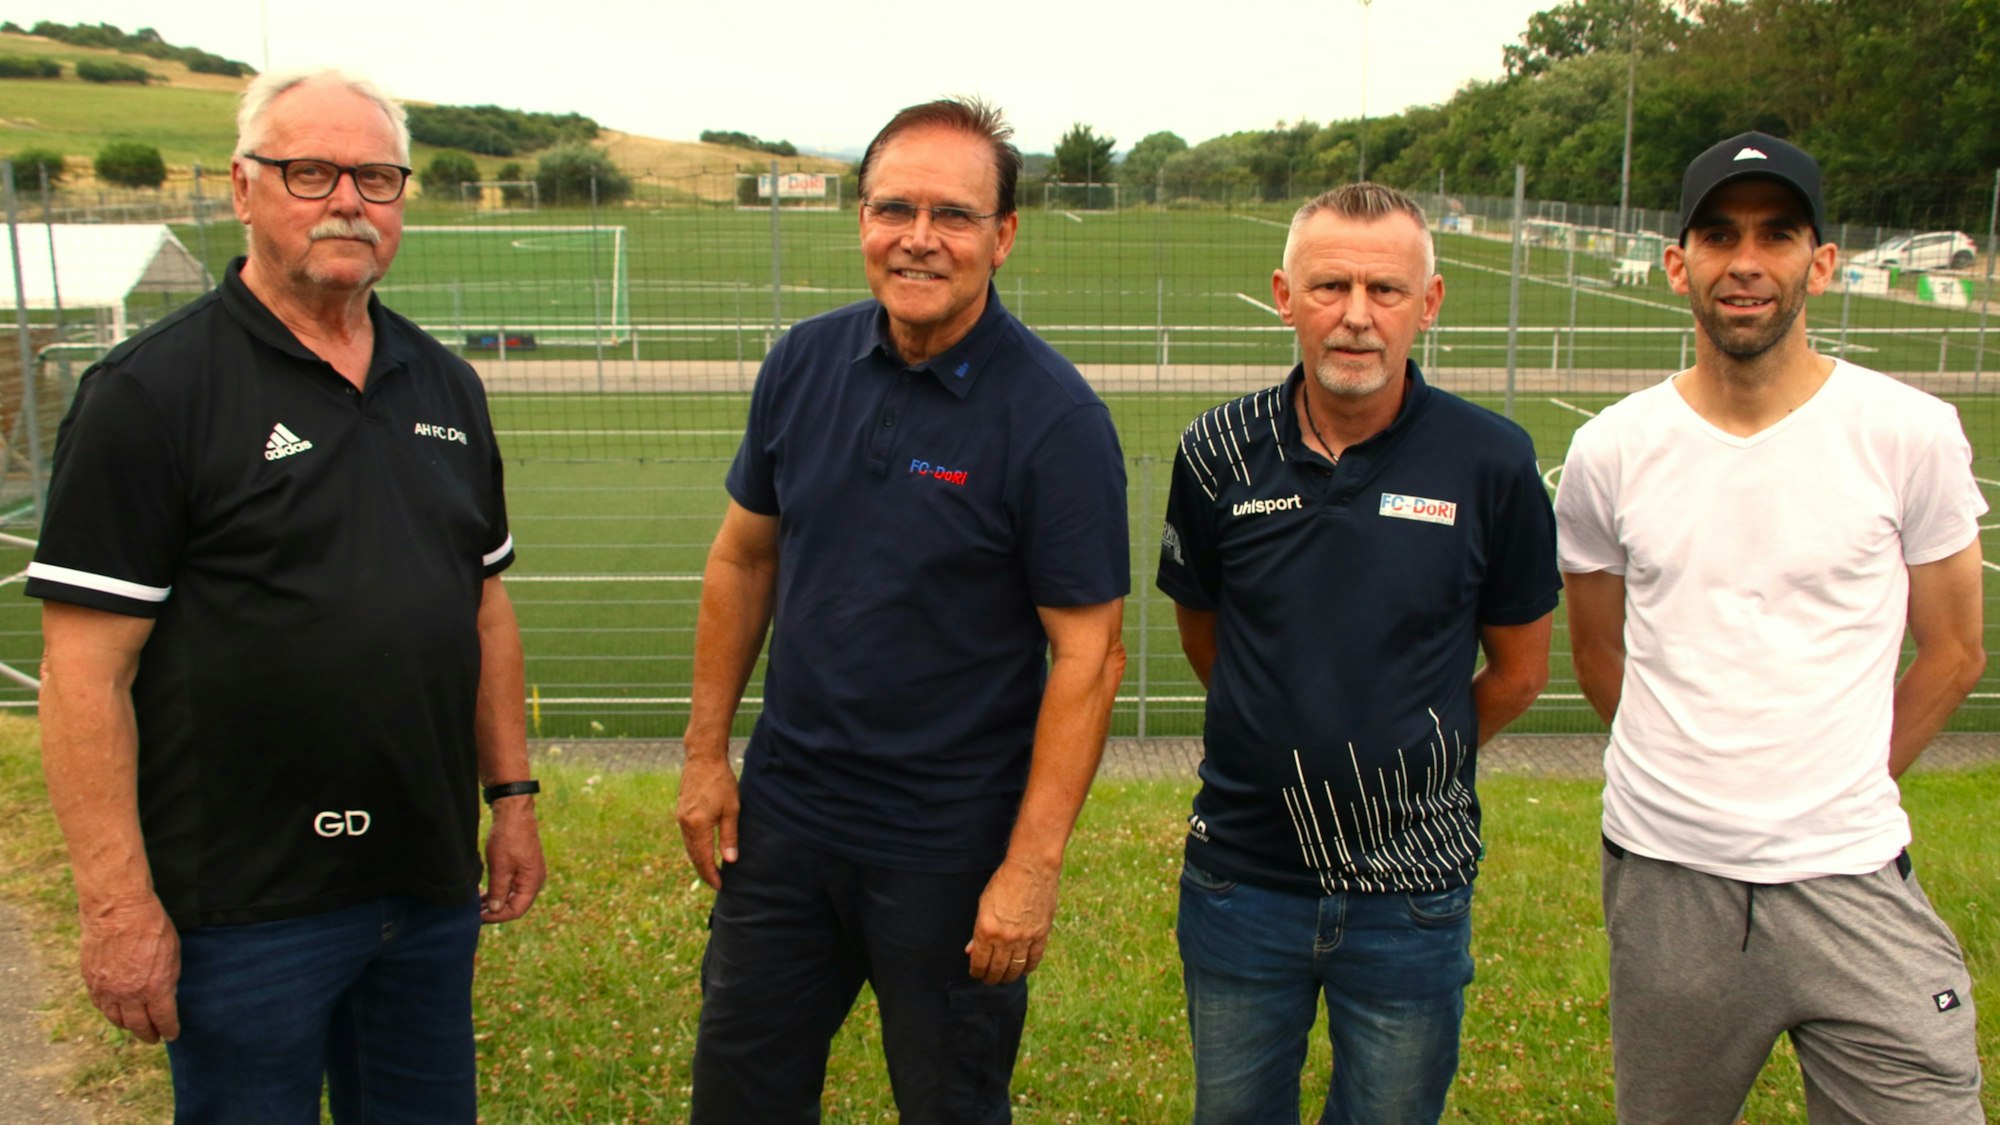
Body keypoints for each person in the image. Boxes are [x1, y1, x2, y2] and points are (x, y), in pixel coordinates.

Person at [28, 69, 544, 1122]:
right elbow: (84, 672)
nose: (348, 200)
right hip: (246, 909)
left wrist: (512, 801)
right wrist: (119, 907)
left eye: (377, 176)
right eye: (310, 172)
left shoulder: (444, 384)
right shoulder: (149, 395)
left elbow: (482, 608)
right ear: (243, 187)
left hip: (424, 881)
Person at [674, 97, 1129, 1123]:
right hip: (785, 822)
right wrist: (707, 757)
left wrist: (1028, 867)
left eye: (954, 216)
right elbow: (743, 559)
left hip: (947, 846)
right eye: (893, 209)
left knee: (950, 1105)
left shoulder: (1054, 420)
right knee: (739, 1094)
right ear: (861, 218)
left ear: (1002, 236)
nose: (918, 238)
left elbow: (1087, 655)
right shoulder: (801, 362)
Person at [1555, 131, 1987, 1123]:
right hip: (1668, 886)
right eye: (1716, 235)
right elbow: (1596, 650)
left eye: (1775, 234)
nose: (1743, 260)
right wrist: (1692, 779)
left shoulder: (1905, 433)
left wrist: (1840, 784)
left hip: (1851, 876)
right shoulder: (1608, 450)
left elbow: (1954, 650)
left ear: (1819, 264)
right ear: (1678, 265)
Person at [1155, 182, 1561, 1123]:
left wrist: (1415, 751)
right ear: (1283, 295)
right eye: (1330, 285)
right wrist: (1285, 730)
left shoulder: (1492, 461)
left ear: (1430, 301)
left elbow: (1520, 670)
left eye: (1385, 289)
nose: (1356, 316)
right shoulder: (1216, 450)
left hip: (1412, 891)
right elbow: (1204, 632)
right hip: (1241, 880)